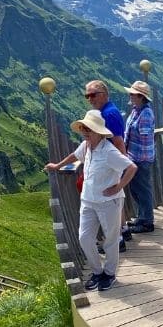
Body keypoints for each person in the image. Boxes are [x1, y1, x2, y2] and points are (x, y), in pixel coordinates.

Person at [45, 110, 137, 292]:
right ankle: (97, 271)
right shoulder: (86, 146)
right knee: (85, 238)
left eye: (89, 129)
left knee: (110, 240)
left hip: (109, 202)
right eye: (84, 128)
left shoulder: (109, 151)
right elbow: (74, 156)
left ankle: (109, 274)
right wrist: (57, 166)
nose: (86, 132)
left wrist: (118, 187)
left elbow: (131, 167)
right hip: (87, 200)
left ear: (99, 132)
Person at [84, 80, 128, 250]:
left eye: (93, 95)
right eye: (87, 95)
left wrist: (121, 167)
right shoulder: (107, 111)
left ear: (104, 94)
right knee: (116, 200)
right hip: (110, 165)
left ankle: (118, 242)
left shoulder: (108, 114)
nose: (90, 99)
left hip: (109, 166)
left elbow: (118, 141)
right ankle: (124, 232)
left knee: (110, 202)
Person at [124, 81, 156, 233]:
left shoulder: (145, 114)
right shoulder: (136, 110)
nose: (130, 96)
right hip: (134, 157)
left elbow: (143, 138)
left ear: (140, 97)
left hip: (141, 159)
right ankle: (142, 217)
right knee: (136, 189)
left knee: (143, 190)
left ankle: (147, 222)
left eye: (132, 94)